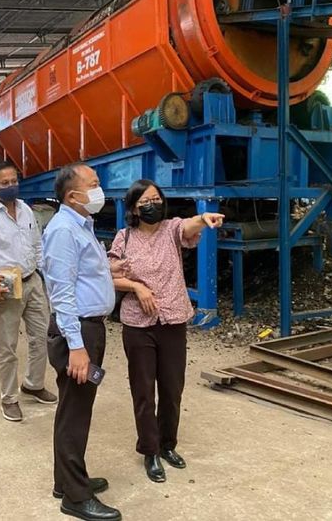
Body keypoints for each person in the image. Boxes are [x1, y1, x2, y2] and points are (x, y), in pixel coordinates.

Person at [109, 180, 224, 483]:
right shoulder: (123, 239)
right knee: (144, 391)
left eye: (157, 199)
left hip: (172, 321)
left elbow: (189, 226)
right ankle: (150, 451)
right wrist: (136, 286)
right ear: (134, 207)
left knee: (172, 389)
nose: (152, 205)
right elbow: (109, 275)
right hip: (138, 325)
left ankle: (167, 444)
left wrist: (204, 218)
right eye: (145, 201)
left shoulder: (172, 230)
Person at [41, 163, 121, 521]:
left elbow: (81, 275)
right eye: (94, 184)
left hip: (89, 328)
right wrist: (76, 347)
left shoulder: (79, 225)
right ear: (73, 196)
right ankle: (75, 497)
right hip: (78, 332)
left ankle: (68, 480)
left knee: (74, 409)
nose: (99, 189)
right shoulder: (63, 230)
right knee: (75, 413)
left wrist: (110, 272)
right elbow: (61, 293)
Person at [0, 163, 57, 421]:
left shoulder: (26, 209)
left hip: (32, 282)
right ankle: (9, 397)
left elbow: (37, 245)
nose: (10, 186)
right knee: (7, 346)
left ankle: (33, 384)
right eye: (4, 183)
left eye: (13, 180)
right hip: (4, 288)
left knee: (41, 338)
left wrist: (43, 276)